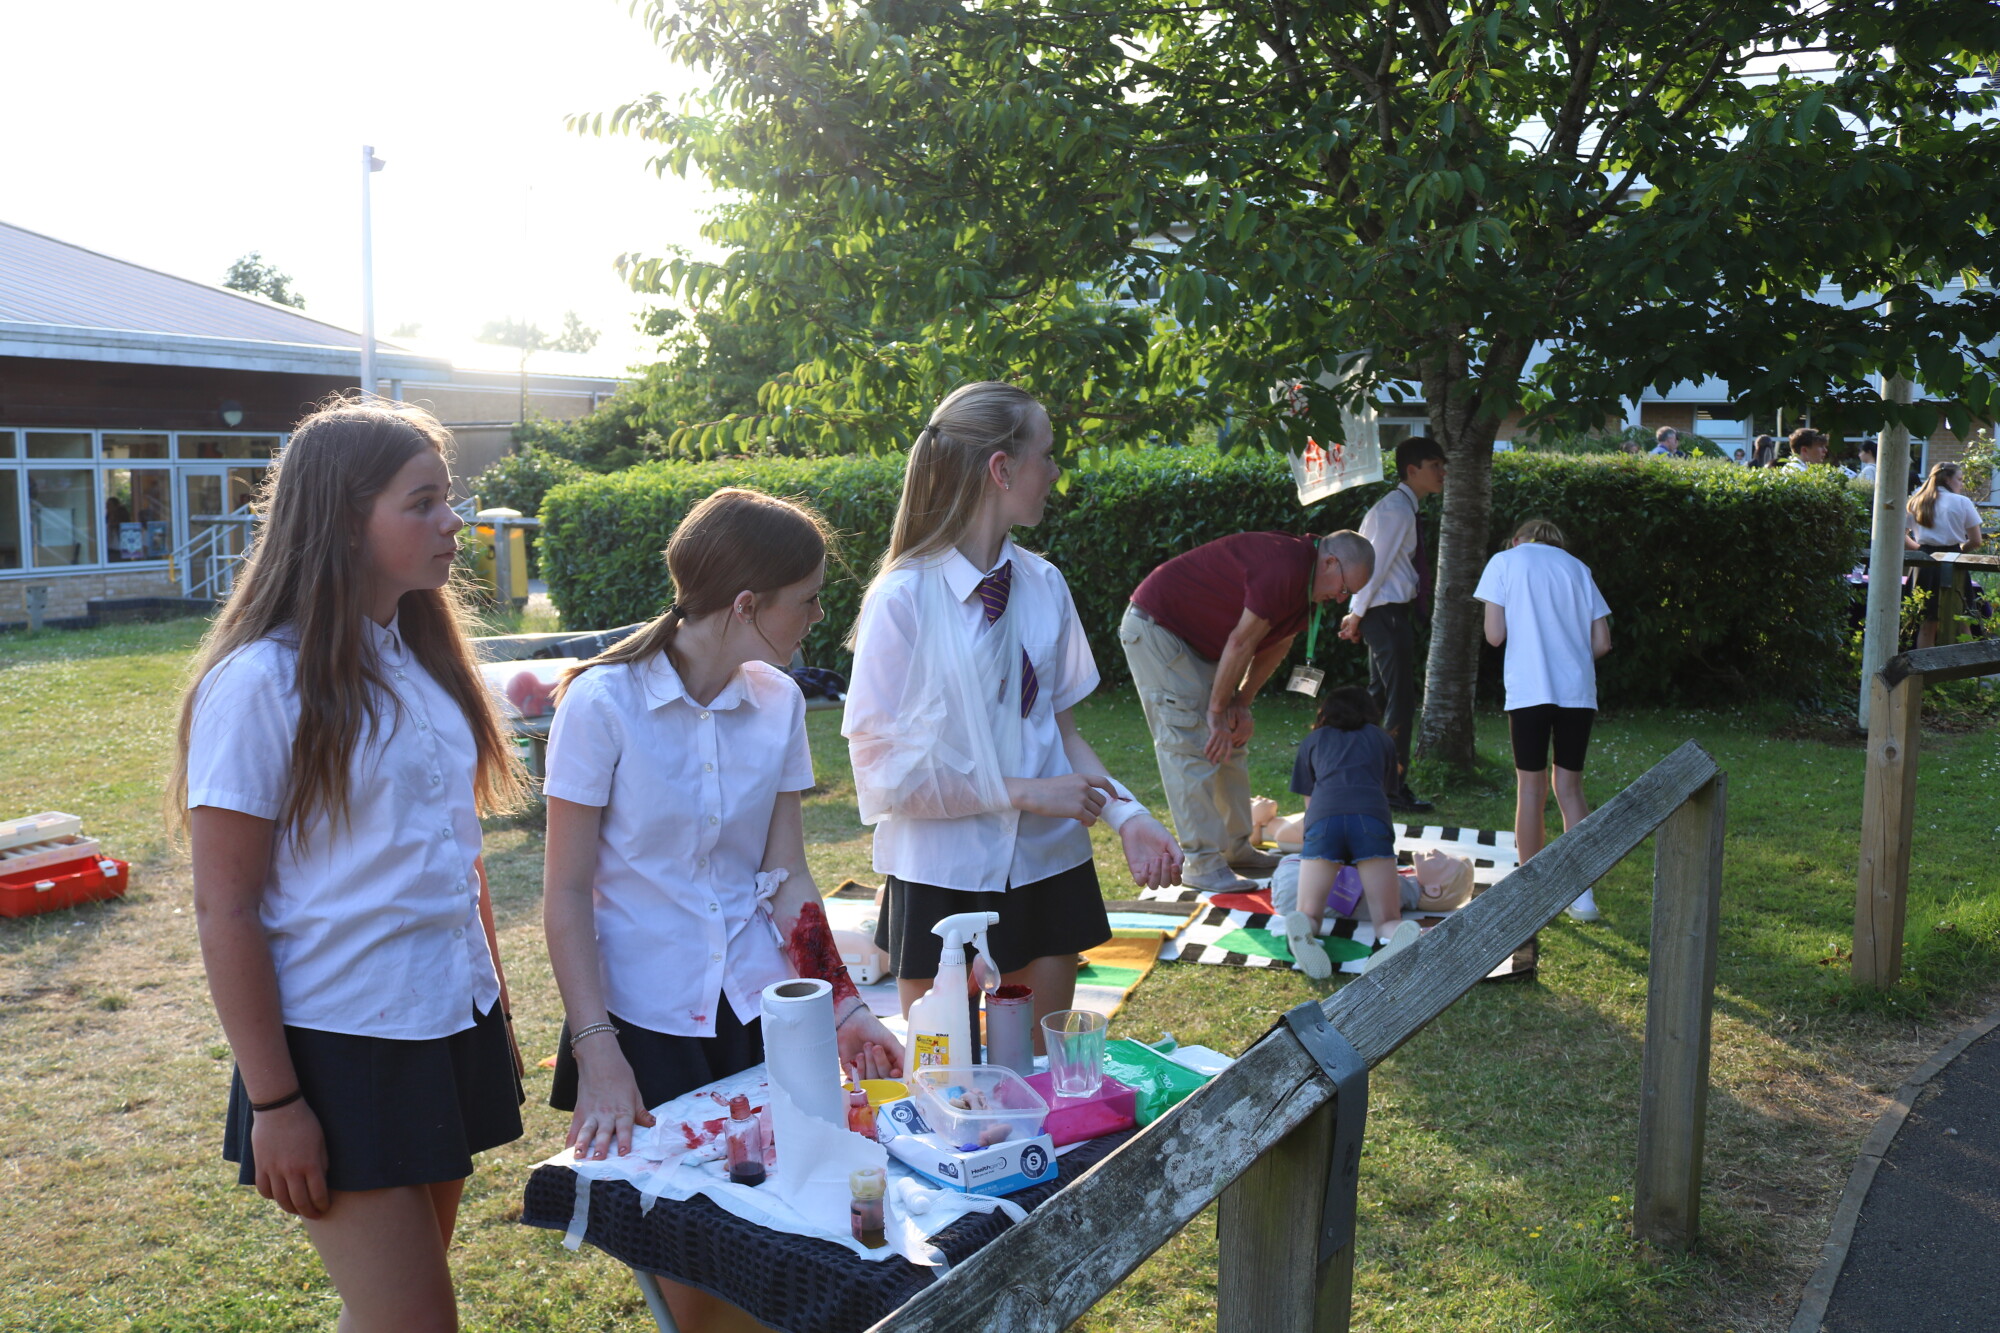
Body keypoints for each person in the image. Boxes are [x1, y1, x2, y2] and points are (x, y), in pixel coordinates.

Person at [173, 399, 530, 1333]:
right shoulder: (259, 683)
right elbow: (224, 908)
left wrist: (492, 1007)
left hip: (446, 1020)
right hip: (340, 1047)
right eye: (423, 502)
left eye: (449, 498)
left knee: (389, 1316)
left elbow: (460, 860)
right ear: (342, 518)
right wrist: (276, 1101)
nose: (453, 522)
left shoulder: (423, 660)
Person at [543, 487, 904, 1333]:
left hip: (758, 1011)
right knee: (697, 1288)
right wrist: (599, 1052)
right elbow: (564, 893)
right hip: (643, 1029)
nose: (819, 616)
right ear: (747, 605)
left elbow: (786, 873)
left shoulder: (778, 702)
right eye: (807, 599)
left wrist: (845, 1003)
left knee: (779, 1247)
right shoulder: (601, 704)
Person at [846, 382, 1184, 1037]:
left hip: (1046, 866)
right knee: (942, 1074)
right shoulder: (902, 600)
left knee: (1035, 1071)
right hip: (940, 869)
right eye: (1046, 454)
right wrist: (1026, 792)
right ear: (1002, 469)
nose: (1055, 472)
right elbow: (885, 778)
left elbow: (1062, 733)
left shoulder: (1044, 584)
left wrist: (1129, 816)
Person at [1123, 526, 1376, 891]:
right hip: (1160, 629)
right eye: (1345, 588)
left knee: (1231, 739)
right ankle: (1202, 863)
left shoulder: (1308, 588)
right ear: (1330, 562)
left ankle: (1235, 849)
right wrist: (1216, 713)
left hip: (1205, 643)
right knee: (1189, 743)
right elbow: (1242, 642)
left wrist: (1240, 703)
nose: (1340, 599)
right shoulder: (1284, 569)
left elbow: (1276, 644)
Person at [1474, 518, 1612, 922]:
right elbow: (1602, 642)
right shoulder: (1578, 568)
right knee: (1570, 788)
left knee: (1531, 789)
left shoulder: (1504, 561)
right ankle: (1582, 896)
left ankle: (1532, 892)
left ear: (1517, 539)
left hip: (1530, 689)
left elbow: (1494, 635)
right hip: (1577, 692)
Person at [1281, 686, 1421, 980]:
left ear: (1324, 712)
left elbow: (1310, 804)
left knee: (1309, 911)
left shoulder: (1313, 741)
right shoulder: (1381, 739)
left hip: (1323, 820)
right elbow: (1385, 790)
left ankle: (1303, 926)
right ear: (1370, 711)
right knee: (1387, 918)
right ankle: (1393, 935)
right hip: (1370, 820)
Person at [1339, 437, 1445, 813]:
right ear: (1412, 470)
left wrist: (1358, 613)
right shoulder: (1396, 511)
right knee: (1399, 701)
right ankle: (1392, 787)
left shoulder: (1400, 507)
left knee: (1379, 698)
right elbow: (1373, 567)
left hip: (1385, 612)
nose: (1443, 473)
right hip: (1385, 613)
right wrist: (1356, 614)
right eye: (1435, 466)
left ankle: (1351, 770)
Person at [1905, 462, 1986, 649]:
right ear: (1948, 479)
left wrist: (1920, 551)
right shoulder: (1962, 502)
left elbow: (1899, 534)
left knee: (1927, 622)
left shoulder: (1917, 500)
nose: (1961, 484)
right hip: (1954, 559)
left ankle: (1925, 666)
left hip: (1924, 561)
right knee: (1963, 619)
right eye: (1960, 479)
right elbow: (1976, 540)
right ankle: (1965, 667)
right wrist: (1958, 552)